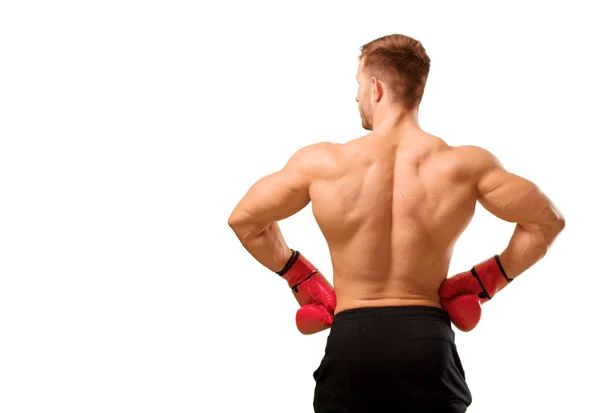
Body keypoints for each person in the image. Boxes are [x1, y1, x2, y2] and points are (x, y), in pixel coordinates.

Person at [228, 34, 565, 413]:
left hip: (352, 342)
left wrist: (301, 276)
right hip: (427, 342)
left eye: (357, 85)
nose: (355, 97)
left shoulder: (322, 164)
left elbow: (245, 220)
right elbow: (546, 222)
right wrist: (485, 281)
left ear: (375, 88)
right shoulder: (464, 165)